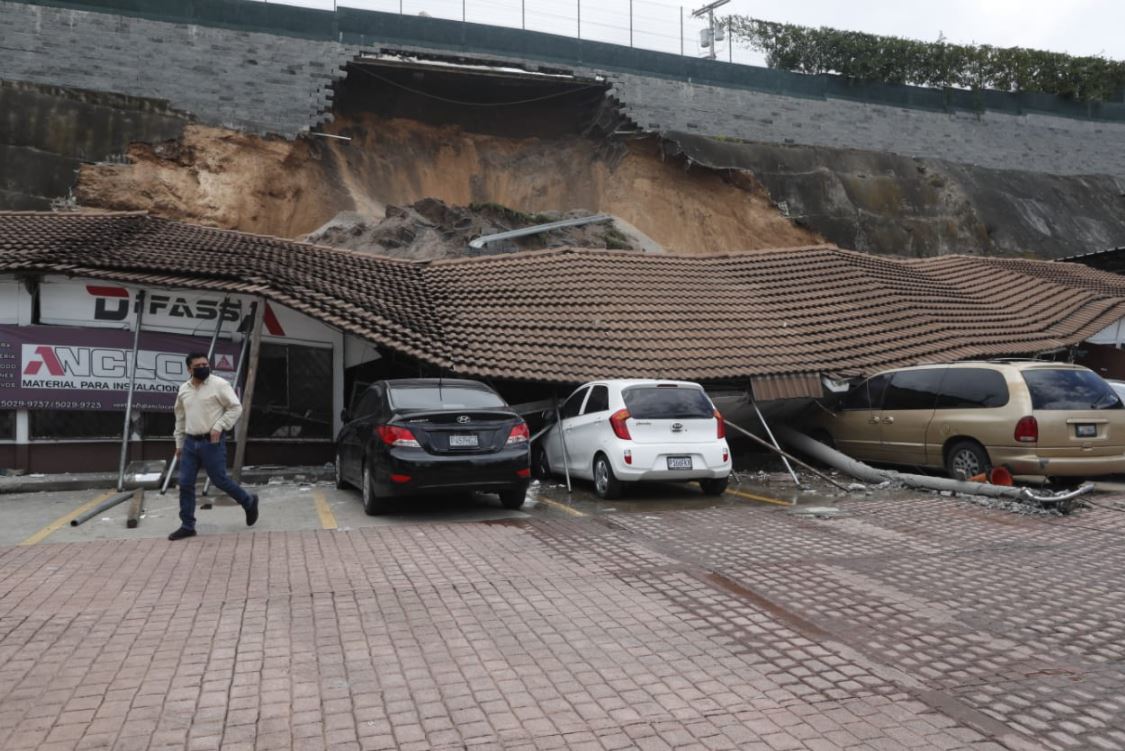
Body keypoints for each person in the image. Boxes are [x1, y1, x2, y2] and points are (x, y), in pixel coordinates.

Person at [168, 351, 259, 541]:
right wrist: (179, 443)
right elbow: (180, 418)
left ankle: (248, 501)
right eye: (198, 366)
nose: (203, 368)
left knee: (219, 480)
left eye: (205, 364)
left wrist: (219, 426)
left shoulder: (219, 384)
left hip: (212, 442)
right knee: (185, 484)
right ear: (189, 369)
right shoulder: (184, 389)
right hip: (190, 443)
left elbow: (236, 408)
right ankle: (187, 525)